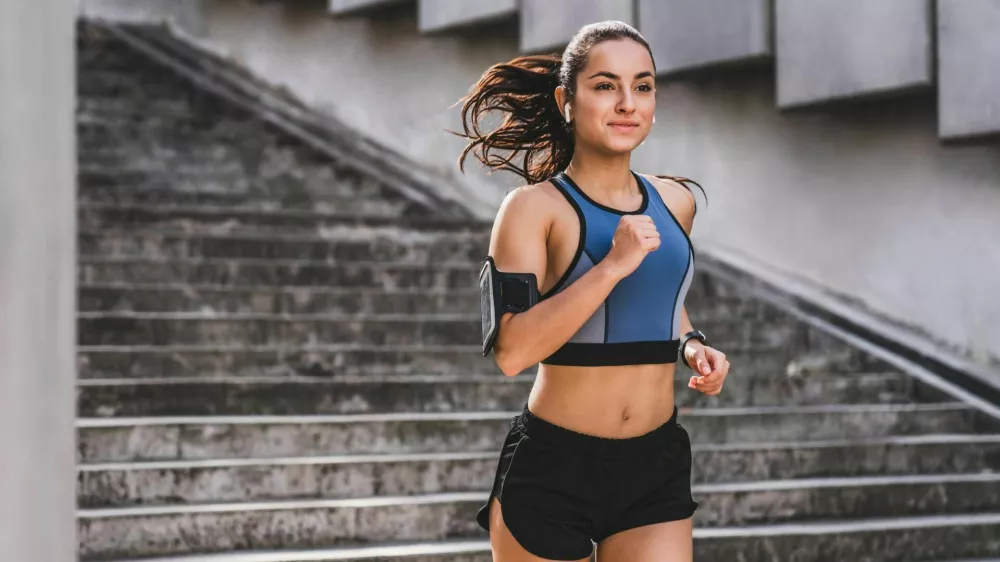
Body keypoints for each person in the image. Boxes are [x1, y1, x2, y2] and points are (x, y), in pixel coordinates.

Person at [452, 20, 731, 562]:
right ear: (567, 100)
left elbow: (660, 301)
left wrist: (692, 343)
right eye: (605, 86)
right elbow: (511, 352)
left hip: (655, 466)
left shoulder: (676, 203)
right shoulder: (533, 209)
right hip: (555, 467)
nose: (627, 103)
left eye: (642, 86)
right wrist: (609, 267)